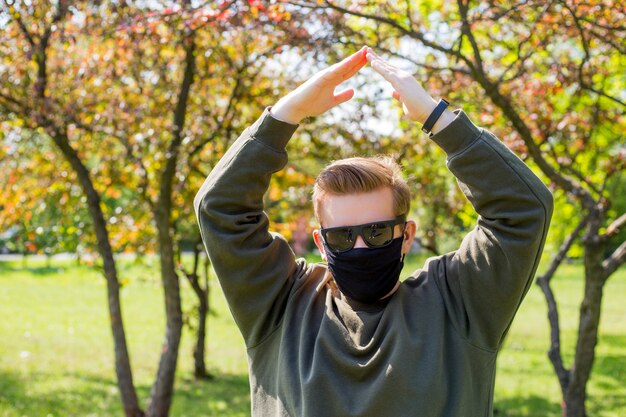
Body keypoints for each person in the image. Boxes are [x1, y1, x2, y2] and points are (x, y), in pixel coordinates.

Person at [194, 46, 553, 417]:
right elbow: (219, 207)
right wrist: (288, 113)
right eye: (342, 237)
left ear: (407, 235)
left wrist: (438, 118)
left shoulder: (458, 305)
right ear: (320, 241)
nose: (361, 246)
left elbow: (523, 210)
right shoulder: (281, 307)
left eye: (378, 233)